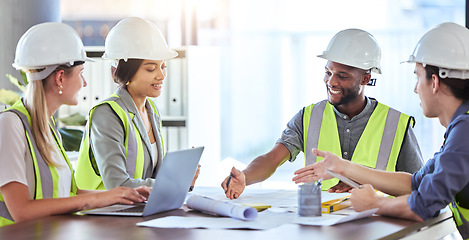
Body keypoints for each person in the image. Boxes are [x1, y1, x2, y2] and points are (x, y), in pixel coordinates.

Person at [293, 22, 469, 239]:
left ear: (434, 82)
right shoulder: (460, 130)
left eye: (417, 77)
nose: (415, 89)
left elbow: (425, 204)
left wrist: (375, 203)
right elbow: (416, 183)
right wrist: (343, 167)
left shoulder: (465, 133)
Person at [222, 28, 424, 199]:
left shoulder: (396, 124)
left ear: (365, 79)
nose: (331, 82)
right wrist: (246, 177)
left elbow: (418, 188)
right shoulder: (308, 117)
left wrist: (371, 184)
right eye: (328, 72)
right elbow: (271, 159)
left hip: (377, 228)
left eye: (342, 76)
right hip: (318, 227)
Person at [0, 22, 150, 227]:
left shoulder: (48, 129)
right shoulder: (10, 125)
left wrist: (120, 195)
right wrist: (100, 199)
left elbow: (70, 194)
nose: (84, 83)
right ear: (60, 78)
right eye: (81, 73)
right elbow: (21, 211)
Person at [75, 17, 200, 191]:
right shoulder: (107, 114)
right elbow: (118, 185)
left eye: (163, 67)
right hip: (103, 214)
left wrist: (182, 176)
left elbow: (152, 177)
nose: (161, 75)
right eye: (151, 68)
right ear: (127, 72)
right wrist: (175, 183)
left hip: (138, 210)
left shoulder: (151, 110)